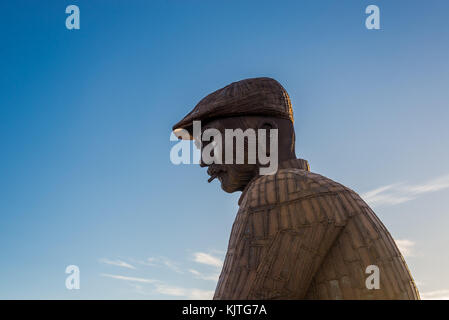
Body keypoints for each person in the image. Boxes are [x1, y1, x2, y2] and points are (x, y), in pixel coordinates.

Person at [172, 77, 420, 299]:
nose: (204, 160)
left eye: (211, 142)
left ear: (266, 135)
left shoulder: (280, 189)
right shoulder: (328, 192)